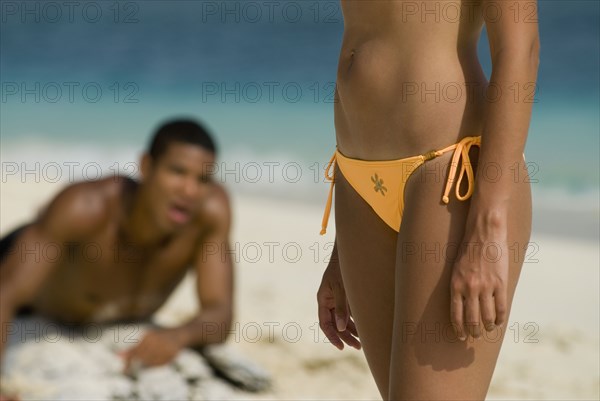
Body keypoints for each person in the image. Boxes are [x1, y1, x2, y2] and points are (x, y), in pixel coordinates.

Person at [316, 1, 539, 400]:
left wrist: (488, 227)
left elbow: (520, 49)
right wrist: (342, 251)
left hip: (452, 176)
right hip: (357, 182)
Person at [0, 119, 236, 399]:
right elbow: (6, 293)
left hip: (113, 324)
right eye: (177, 172)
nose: (189, 190)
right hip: (29, 300)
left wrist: (178, 335)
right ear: (146, 166)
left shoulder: (210, 216)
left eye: (203, 179)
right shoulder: (86, 207)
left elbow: (220, 313)